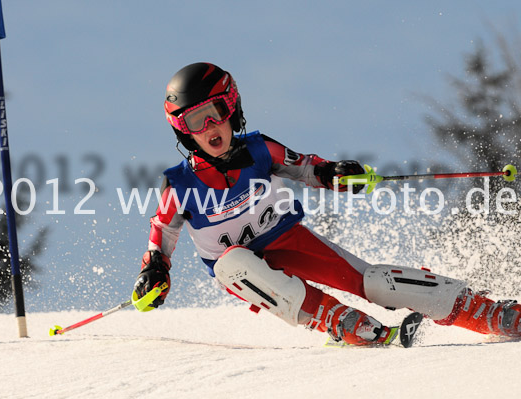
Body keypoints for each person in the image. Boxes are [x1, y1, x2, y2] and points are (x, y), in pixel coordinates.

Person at [133, 62, 521, 345]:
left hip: (286, 240)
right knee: (232, 262)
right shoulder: (180, 184)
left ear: (231, 108)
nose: (209, 128)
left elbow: (305, 169)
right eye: (195, 121)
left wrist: (336, 173)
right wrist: (155, 273)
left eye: (215, 113)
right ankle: (337, 321)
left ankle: (485, 312)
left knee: (373, 280)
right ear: (183, 131)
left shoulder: (259, 149)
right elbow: (162, 235)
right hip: (243, 272)